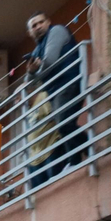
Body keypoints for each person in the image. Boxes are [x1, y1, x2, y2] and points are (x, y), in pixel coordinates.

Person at [25, 12, 83, 181]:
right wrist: (31, 71)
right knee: (63, 123)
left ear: (48, 22)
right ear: (30, 33)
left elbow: (49, 62)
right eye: (33, 26)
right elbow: (30, 81)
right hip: (54, 90)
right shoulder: (37, 49)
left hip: (68, 82)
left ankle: (75, 161)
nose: (38, 27)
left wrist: (36, 73)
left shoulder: (56, 31)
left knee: (64, 122)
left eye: (40, 22)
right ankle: (87, 148)